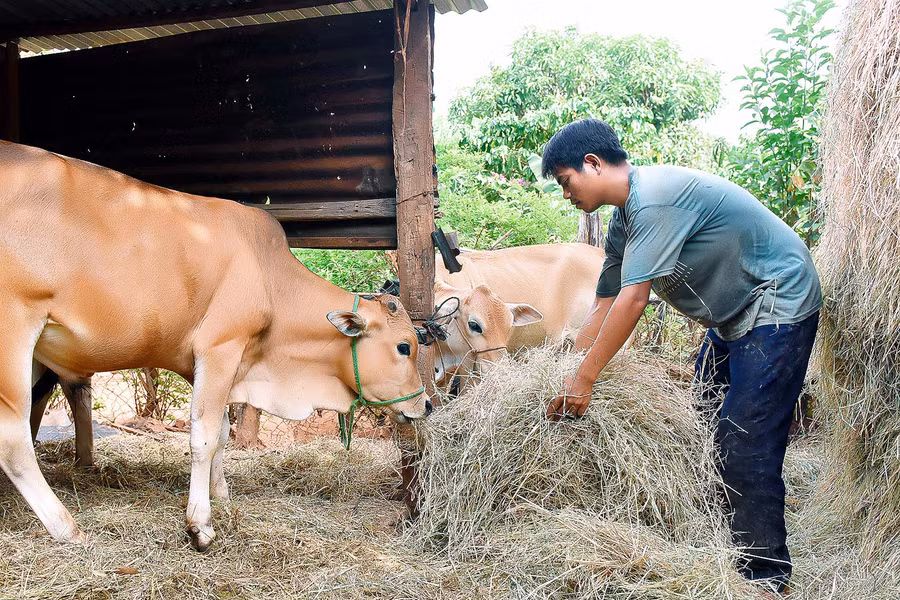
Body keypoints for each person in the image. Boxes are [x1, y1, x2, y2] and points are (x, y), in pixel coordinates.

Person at [541, 119, 821, 594]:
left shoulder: (655, 199)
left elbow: (632, 299)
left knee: (742, 439)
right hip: (733, 319)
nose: (565, 194)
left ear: (592, 163)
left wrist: (585, 381)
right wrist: (568, 365)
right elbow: (605, 298)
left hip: (778, 301)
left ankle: (765, 576)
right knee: (704, 419)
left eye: (565, 181)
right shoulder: (624, 219)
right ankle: (726, 538)